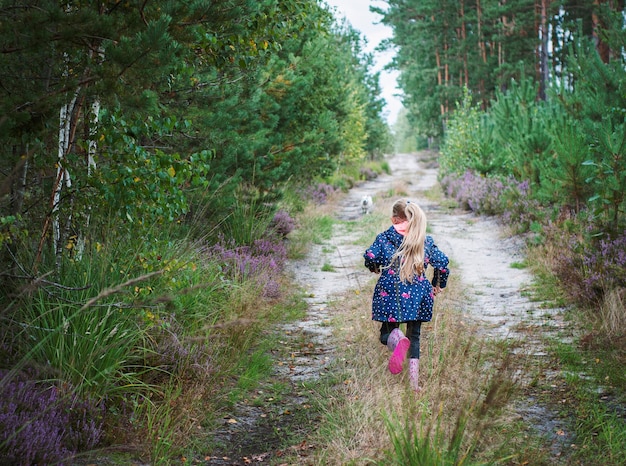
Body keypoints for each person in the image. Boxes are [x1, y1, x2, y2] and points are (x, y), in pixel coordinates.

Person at [363, 199, 449, 392]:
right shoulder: (424, 240)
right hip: (419, 295)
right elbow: (442, 264)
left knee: (386, 333)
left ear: (394, 219)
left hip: (390, 293)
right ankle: (414, 384)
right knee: (415, 337)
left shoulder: (385, 238)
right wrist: (438, 283)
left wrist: (374, 267)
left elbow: (370, 256)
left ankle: (396, 339)